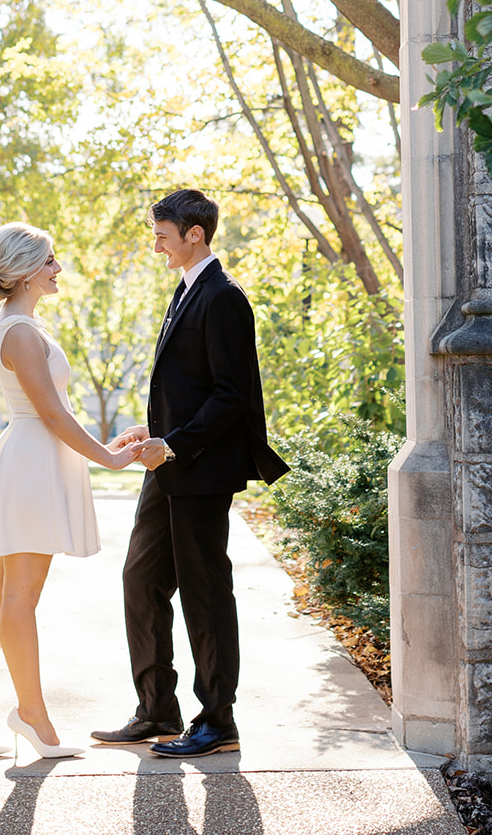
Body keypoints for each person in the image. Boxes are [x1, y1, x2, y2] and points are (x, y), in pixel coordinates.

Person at [0, 221, 146, 762]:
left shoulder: (21, 323)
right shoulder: (21, 332)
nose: (58, 269)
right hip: (29, 465)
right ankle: (31, 714)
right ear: (27, 270)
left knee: (5, 593)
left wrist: (106, 443)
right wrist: (111, 459)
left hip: (32, 460)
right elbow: (50, 413)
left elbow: (57, 409)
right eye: (50, 260)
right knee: (20, 598)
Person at [92, 188, 289, 759]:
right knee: (141, 579)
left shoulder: (224, 298)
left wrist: (173, 445)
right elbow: (190, 387)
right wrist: (148, 430)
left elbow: (232, 397)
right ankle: (156, 709)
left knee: (205, 594)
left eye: (162, 236)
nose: (156, 247)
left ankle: (217, 721)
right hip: (168, 466)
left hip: (200, 471)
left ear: (194, 234)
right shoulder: (186, 292)